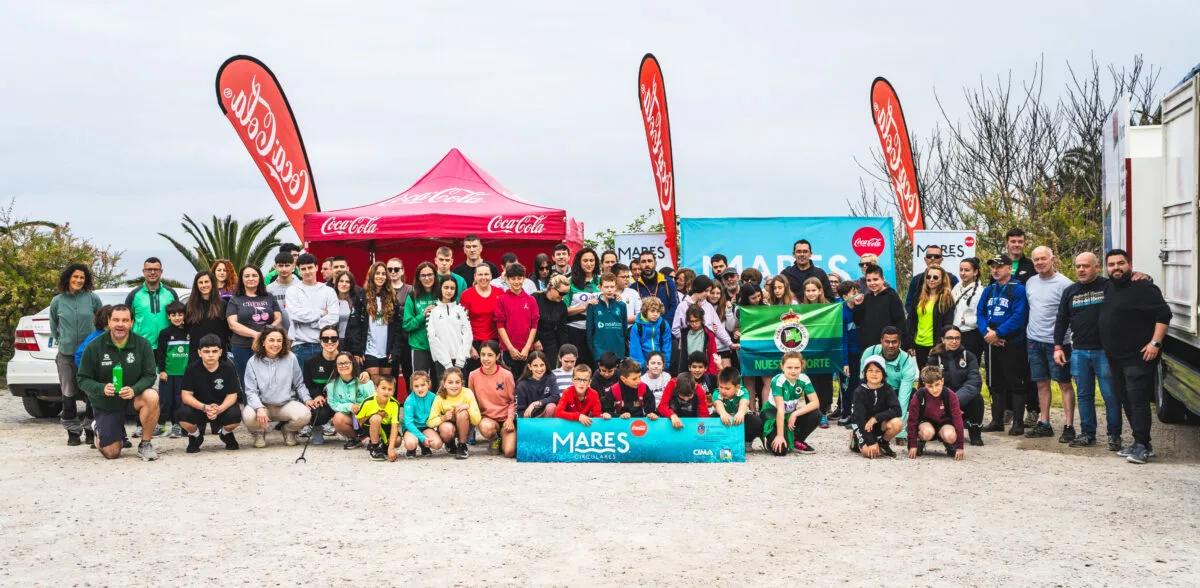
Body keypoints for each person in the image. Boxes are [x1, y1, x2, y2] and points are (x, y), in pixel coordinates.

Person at [1098, 249, 1170, 464]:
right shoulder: (1109, 286)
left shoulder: (1144, 286)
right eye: (1111, 264)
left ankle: (1142, 445)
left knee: (1137, 400)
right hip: (1116, 356)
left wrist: (1155, 343)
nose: (1116, 268)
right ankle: (1141, 443)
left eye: (1120, 263)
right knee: (1126, 398)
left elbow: (1164, 314)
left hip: (1138, 356)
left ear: (1129, 265)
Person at [77, 304, 161, 461]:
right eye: (116, 320)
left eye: (125, 320)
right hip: (106, 403)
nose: (120, 324)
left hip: (132, 398)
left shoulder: (143, 344)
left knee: (152, 396)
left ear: (132, 322)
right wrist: (101, 388)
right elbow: (82, 379)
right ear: (108, 322)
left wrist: (135, 389)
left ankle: (146, 443)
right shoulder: (94, 346)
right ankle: (101, 429)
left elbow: (150, 375)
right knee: (111, 453)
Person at [1055, 252, 1120, 450]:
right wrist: (1058, 346)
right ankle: (1087, 434)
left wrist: (1141, 275)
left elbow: (1129, 284)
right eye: (1078, 266)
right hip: (1079, 352)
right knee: (1084, 395)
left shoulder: (1109, 286)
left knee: (1110, 395)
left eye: (1086, 266)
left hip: (1104, 352)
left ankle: (1114, 436)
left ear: (1097, 267)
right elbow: (1061, 320)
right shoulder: (1070, 291)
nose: (1081, 270)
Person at [1023, 246, 1077, 441]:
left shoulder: (1065, 284)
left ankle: (1069, 425)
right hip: (1034, 340)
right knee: (1041, 384)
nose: (1039, 263)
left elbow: (1071, 316)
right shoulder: (1030, 282)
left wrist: (1062, 344)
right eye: (1036, 259)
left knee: (1064, 383)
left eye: (1043, 259)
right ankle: (1044, 423)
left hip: (1057, 344)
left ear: (1052, 259)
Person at [977, 254, 1031, 436]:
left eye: (999, 266)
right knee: (994, 382)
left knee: (1015, 382)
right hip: (991, 343)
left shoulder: (1018, 289)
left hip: (1011, 342)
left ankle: (1018, 422)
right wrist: (987, 333)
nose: (995, 270)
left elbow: (1019, 316)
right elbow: (980, 313)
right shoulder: (989, 290)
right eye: (993, 267)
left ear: (1009, 268)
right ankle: (997, 420)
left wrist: (999, 333)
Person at [49, 263, 103, 446]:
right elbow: (54, 327)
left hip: (89, 354)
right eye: (75, 277)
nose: (79, 280)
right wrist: (65, 340)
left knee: (91, 393)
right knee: (68, 393)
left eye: (82, 277)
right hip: (66, 354)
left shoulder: (92, 299)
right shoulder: (57, 301)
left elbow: (103, 323)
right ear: (68, 278)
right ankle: (72, 432)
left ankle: (90, 429)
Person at [241, 326, 317, 448]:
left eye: (279, 341)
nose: (276, 344)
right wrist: (259, 408)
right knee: (248, 416)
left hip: (285, 404)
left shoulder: (290, 357)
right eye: (271, 340)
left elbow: (299, 384)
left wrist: (307, 399)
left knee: (305, 414)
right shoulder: (253, 361)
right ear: (263, 342)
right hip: (263, 405)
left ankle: (289, 430)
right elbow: (250, 391)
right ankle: (259, 433)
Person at [177, 334, 242, 453]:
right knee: (182, 414)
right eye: (206, 351)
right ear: (199, 352)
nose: (211, 355)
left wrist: (220, 409)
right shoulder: (192, 368)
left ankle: (225, 433)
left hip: (221, 408)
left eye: (214, 351)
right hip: (200, 408)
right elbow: (186, 395)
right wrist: (204, 407)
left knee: (236, 414)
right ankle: (196, 435)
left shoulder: (228, 368)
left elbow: (232, 395)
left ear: (220, 352)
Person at [927, 326, 984, 446]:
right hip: (941, 403)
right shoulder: (934, 359)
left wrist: (954, 401)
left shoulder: (969, 357)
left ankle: (975, 433)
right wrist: (945, 402)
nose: (954, 341)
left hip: (962, 401)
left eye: (957, 338)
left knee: (977, 399)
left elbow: (974, 382)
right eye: (950, 338)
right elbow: (929, 384)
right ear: (943, 339)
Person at [858, 327, 918, 441]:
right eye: (887, 341)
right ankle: (861, 429)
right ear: (881, 341)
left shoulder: (907, 362)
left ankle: (916, 427)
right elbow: (862, 381)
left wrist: (900, 431)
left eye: (894, 342)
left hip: (894, 393)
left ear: (900, 343)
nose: (890, 345)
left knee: (915, 395)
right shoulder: (870, 352)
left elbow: (903, 399)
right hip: (873, 390)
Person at [348, 262, 403, 384]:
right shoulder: (361, 296)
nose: (381, 276)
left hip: (387, 350)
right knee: (373, 386)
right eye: (377, 273)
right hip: (369, 350)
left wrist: (395, 351)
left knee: (385, 386)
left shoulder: (392, 298)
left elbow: (398, 328)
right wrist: (357, 350)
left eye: (384, 274)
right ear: (372, 275)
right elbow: (354, 325)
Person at [226, 265, 282, 378]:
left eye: (254, 275)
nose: (251, 278)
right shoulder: (235, 299)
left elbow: (278, 318)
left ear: (259, 278)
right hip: (243, 347)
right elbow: (232, 324)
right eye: (247, 276)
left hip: (268, 347)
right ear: (241, 279)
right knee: (247, 382)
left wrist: (266, 333)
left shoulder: (269, 297)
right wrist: (256, 334)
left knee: (269, 381)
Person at [286, 254, 340, 367]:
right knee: (301, 383)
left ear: (316, 267)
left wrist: (313, 322)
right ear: (299, 270)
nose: (307, 271)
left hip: (324, 345)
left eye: (310, 267)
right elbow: (295, 315)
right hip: (300, 346)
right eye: (303, 269)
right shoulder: (292, 291)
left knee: (327, 383)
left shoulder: (328, 291)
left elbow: (334, 317)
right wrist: (321, 313)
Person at [763, 351, 821, 455]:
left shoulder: (804, 378)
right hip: (772, 414)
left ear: (801, 366)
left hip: (789, 414)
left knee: (816, 414)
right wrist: (780, 436)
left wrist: (795, 414)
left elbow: (815, 403)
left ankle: (797, 440)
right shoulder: (778, 381)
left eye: (797, 367)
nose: (793, 371)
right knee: (780, 451)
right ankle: (774, 437)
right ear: (782, 366)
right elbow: (780, 409)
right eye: (789, 367)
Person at [796, 277, 835, 427]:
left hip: (825, 350)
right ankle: (812, 412)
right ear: (804, 292)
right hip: (807, 350)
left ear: (820, 291)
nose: (811, 293)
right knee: (809, 382)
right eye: (808, 290)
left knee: (825, 381)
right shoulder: (800, 309)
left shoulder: (829, 307)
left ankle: (823, 413)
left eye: (814, 290)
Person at [906, 366, 965, 460]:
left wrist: (960, 446)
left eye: (937, 384)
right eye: (930, 386)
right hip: (926, 424)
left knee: (950, 435)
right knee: (926, 432)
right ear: (924, 384)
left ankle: (949, 444)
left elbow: (958, 420)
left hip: (945, 424)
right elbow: (912, 421)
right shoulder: (919, 396)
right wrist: (912, 444)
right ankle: (920, 442)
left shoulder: (950, 395)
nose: (934, 390)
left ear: (942, 381)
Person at [850, 355, 903, 458]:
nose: (874, 374)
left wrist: (875, 418)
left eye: (878, 371)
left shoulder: (888, 389)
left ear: (883, 374)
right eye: (870, 370)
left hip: (878, 423)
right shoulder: (859, 392)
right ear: (864, 373)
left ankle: (883, 442)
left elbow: (897, 410)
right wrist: (871, 441)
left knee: (898, 423)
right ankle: (855, 439)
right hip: (862, 426)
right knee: (872, 453)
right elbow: (859, 419)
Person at [125, 257, 181, 354]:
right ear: (143, 271)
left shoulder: (171, 294)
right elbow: (127, 320)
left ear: (161, 271)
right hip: (141, 347)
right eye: (149, 269)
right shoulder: (134, 295)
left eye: (156, 269)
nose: (152, 272)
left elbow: (178, 317)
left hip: (168, 346)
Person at [672, 275, 732, 364]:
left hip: (707, 350)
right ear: (698, 289)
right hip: (688, 351)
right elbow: (675, 329)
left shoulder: (708, 306)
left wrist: (730, 344)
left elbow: (719, 327)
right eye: (706, 291)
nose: (708, 294)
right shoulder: (683, 306)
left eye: (709, 291)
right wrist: (690, 337)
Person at [470, 341, 517, 456]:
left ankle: (504, 437)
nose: (486, 359)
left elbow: (513, 400)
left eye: (490, 355)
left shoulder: (506, 375)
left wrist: (510, 419)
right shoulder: (473, 375)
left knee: (509, 452)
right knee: (487, 427)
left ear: (497, 356)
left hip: (506, 420)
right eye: (483, 355)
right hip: (488, 419)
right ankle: (495, 439)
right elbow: (472, 400)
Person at [904, 265, 956, 367]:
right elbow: (911, 320)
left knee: (936, 377)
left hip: (936, 345)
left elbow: (947, 324)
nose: (931, 280)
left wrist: (939, 345)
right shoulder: (919, 296)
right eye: (928, 277)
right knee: (923, 376)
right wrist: (909, 343)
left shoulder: (946, 298)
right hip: (919, 344)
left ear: (942, 280)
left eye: (935, 277)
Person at [303, 326, 347, 444]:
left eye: (333, 339)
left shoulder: (347, 359)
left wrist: (365, 373)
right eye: (325, 339)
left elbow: (357, 378)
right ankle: (317, 430)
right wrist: (316, 395)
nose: (329, 342)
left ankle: (349, 433)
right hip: (323, 401)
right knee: (317, 412)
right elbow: (308, 384)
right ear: (320, 341)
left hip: (343, 399)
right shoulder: (310, 361)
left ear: (338, 341)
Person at [426, 275, 473, 386]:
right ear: (440, 288)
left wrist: (460, 361)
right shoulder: (432, 312)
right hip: (442, 362)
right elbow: (432, 339)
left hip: (460, 361)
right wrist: (447, 364)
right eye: (446, 287)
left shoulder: (461, 310)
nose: (449, 291)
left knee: (460, 392)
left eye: (452, 288)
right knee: (444, 393)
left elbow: (468, 334)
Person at [494, 263, 540, 375]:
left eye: (519, 278)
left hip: (527, 349)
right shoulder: (501, 300)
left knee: (528, 380)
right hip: (508, 349)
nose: (516, 281)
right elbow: (500, 325)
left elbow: (534, 325)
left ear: (524, 279)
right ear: (508, 279)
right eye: (513, 278)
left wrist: (527, 347)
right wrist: (510, 348)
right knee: (511, 380)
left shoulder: (531, 300)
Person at [426, 367, 482, 459]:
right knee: (446, 429)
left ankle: (462, 445)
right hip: (449, 427)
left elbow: (477, 420)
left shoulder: (467, 393)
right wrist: (443, 418)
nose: (454, 386)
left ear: (462, 383)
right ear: (444, 384)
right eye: (450, 382)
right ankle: (449, 442)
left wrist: (468, 407)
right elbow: (430, 422)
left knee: (462, 413)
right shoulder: (440, 397)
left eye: (457, 382)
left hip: (466, 426)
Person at [326, 351, 376, 450]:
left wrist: (362, 409)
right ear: (336, 366)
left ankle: (374, 439)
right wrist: (349, 406)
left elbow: (374, 401)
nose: (343, 366)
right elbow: (333, 404)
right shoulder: (331, 385)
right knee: (338, 418)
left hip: (367, 417)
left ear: (353, 363)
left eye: (347, 363)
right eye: (340, 363)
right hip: (350, 418)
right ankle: (357, 438)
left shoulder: (365, 381)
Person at [153, 301, 189, 438]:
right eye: (173, 315)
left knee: (179, 401)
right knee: (165, 401)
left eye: (180, 314)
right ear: (168, 317)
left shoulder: (188, 332)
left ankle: (177, 426)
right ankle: (161, 425)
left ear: (184, 315)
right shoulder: (165, 333)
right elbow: (160, 354)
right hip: (167, 374)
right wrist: (161, 370)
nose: (177, 317)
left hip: (183, 375)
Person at [852, 263, 906, 350]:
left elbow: (900, 322)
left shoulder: (891, 295)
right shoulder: (866, 298)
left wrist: (901, 344)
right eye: (869, 280)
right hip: (868, 348)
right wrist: (858, 306)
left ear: (883, 279)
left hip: (887, 348)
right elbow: (857, 321)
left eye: (875, 279)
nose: (872, 283)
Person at [460, 263, 501, 374]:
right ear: (475, 277)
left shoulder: (499, 293)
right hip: (474, 343)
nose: (483, 277)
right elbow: (462, 323)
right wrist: (470, 347)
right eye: (480, 274)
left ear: (491, 276)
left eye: (486, 274)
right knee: (474, 376)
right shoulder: (467, 295)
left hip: (494, 341)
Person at [402, 262, 440, 378]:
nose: (427, 278)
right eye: (423, 275)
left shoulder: (442, 294)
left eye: (430, 274)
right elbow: (407, 324)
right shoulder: (413, 296)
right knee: (420, 381)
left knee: (439, 382)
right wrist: (422, 316)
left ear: (435, 275)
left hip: (440, 346)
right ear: (418, 278)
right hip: (420, 346)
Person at [565, 248, 601, 367]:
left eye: (592, 260)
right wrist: (584, 307)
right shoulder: (570, 282)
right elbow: (562, 311)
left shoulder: (601, 280)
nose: (589, 263)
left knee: (596, 364)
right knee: (578, 365)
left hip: (597, 330)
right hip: (576, 330)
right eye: (585, 260)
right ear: (579, 262)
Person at [712, 366, 764, 446]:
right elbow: (718, 404)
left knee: (756, 422)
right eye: (721, 387)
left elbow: (744, 403)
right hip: (723, 417)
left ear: (737, 387)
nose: (723, 391)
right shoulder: (717, 393)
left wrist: (740, 413)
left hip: (739, 417)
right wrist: (723, 413)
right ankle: (721, 441)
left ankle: (747, 441)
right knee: (710, 420)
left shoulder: (743, 391)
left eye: (727, 388)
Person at [835, 280, 863, 428]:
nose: (858, 295)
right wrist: (844, 362)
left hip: (861, 354)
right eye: (854, 293)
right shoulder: (841, 313)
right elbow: (843, 339)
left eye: (858, 291)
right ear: (845, 296)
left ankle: (857, 414)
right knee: (846, 385)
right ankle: (845, 413)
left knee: (858, 384)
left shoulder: (863, 308)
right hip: (847, 356)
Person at [355, 376, 401, 461]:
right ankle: (374, 448)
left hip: (386, 426)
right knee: (376, 418)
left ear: (394, 391)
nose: (386, 392)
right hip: (370, 425)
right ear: (376, 389)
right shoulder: (368, 402)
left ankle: (384, 447)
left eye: (390, 389)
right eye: (383, 388)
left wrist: (391, 448)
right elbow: (359, 420)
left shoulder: (395, 404)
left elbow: (395, 426)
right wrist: (373, 414)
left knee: (397, 441)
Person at [904, 246, 960, 316]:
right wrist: (917, 317)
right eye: (929, 256)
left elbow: (958, 303)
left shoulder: (952, 279)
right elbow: (909, 303)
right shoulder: (916, 280)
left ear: (941, 259)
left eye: (936, 256)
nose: (932, 258)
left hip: (944, 324)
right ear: (925, 259)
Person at [586, 272, 628, 362]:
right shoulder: (593, 305)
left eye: (612, 287)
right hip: (599, 352)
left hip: (618, 352)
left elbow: (624, 330)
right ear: (600, 287)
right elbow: (590, 331)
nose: (609, 290)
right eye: (606, 287)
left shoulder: (621, 305)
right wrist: (594, 351)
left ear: (616, 287)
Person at [401, 371, 443, 458]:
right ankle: (412, 449)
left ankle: (424, 445)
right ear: (412, 387)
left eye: (423, 385)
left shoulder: (433, 397)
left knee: (437, 444)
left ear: (429, 384)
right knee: (410, 443)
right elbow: (408, 423)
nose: (420, 389)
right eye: (416, 386)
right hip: (411, 428)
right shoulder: (409, 400)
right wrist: (423, 438)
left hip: (426, 426)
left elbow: (438, 414)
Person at [386, 257, 414, 382]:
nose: (392, 272)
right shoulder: (383, 290)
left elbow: (412, 311)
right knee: (391, 373)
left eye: (396, 269)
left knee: (408, 371)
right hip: (389, 337)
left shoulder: (410, 289)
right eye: (389, 269)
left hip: (407, 336)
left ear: (402, 271)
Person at [633, 250, 679, 326]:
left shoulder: (668, 282)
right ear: (640, 265)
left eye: (650, 261)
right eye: (643, 261)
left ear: (655, 263)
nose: (647, 264)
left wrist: (663, 325)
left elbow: (675, 305)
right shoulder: (634, 286)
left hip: (665, 330)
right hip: (644, 331)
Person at [532, 274, 570, 364]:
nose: (563, 296)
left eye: (566, 294)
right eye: (561, 293)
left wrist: (564, 350)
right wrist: (535, 340)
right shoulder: (535, 298)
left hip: (550, 341)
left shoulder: (562, 306)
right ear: (552, 289)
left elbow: (562, 329)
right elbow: (527, 322)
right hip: (533, 338)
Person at [951, 257, 984, 359]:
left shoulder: (980, 291)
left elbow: (982, 315)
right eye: (961, 270)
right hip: (955, 333)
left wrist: (965, 320)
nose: (963, 273)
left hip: (971, 334)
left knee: (970, 367)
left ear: (975, 272)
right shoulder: (956, 287)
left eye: (967, 270)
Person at [675, 307, 720, 378]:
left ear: (701, 320)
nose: (694, 324)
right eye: (691, 321)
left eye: (697, 321)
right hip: (688, 370)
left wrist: (711, 374)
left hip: (704, 371)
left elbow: (712, 354)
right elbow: (682, 356)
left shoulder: (708, 334)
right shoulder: (684, 333)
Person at [629, 296, 672, 370]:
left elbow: (666, 346)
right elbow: (635, 349)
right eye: (652, 311)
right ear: (645, 311)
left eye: (658, 311)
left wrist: (665, 364)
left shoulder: (664, 325)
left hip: (659, 365)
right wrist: (642, 366)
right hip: (643, 367)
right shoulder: (637, 327)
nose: (655, 314)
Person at [515, 350, 560, 419]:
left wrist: (536, 403)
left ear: (545, 365)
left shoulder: (551, 377)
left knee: (551, 407)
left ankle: (546, 429)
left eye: (542, 365)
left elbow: (556, 396)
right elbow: (520, 411)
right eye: (535, 366)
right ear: (530, 367)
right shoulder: (522, 385)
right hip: (531, 419)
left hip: (548, 417)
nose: (539, 369)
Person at [265, 252, 296, 334]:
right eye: (281, 266)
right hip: (277, 335)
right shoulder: (268, 289)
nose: (284, 269)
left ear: (293, 266)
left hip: (299, 335)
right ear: (275, 267)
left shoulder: (300, 286)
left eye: (287, 265)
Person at [707, 280, 737, 365]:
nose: (715, 296)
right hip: (708, 348)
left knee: (726, 376)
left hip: (724, 348)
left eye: (718, 293)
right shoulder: (703, 306)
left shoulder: (725, 306)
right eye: (712, 293)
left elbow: (731, 327)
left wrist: (728, 311)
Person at [331, 270, 361, 340]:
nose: (344, 284)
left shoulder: (356, 301)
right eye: (341, 281)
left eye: (347, 282)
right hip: (333, 340)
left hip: (352, 341)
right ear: (337, 283)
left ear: (351, 285)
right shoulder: (331, 300)